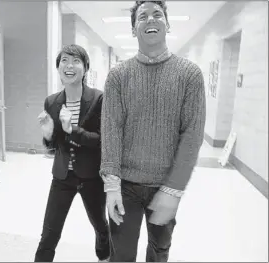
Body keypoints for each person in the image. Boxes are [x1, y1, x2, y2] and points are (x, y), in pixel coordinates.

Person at [100, 1, 206, 262]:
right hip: (126, 185)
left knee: (159, 253)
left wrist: (174, 189)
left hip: (165, 183)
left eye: (157, 15)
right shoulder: (118, 76)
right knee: (121, 255)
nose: (150, 19)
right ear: (134, 29)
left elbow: (192, 134)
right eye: (142, 17)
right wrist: (112, 185)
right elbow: (111, 129)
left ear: (167, 25)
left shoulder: (189, 74)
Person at [35, 44, 110, 262]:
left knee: (100, 225)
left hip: (92, 177)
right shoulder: (52, 101)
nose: (70, 65)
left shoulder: (98, 99)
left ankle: (104, 256)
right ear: (58, 67)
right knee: (49, 232)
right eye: (64, 60)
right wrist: (48, 134)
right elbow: (52, 146)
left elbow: (102, 140)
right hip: (62, 177)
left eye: (76, 61)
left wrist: (73, 130)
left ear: (85, 68)